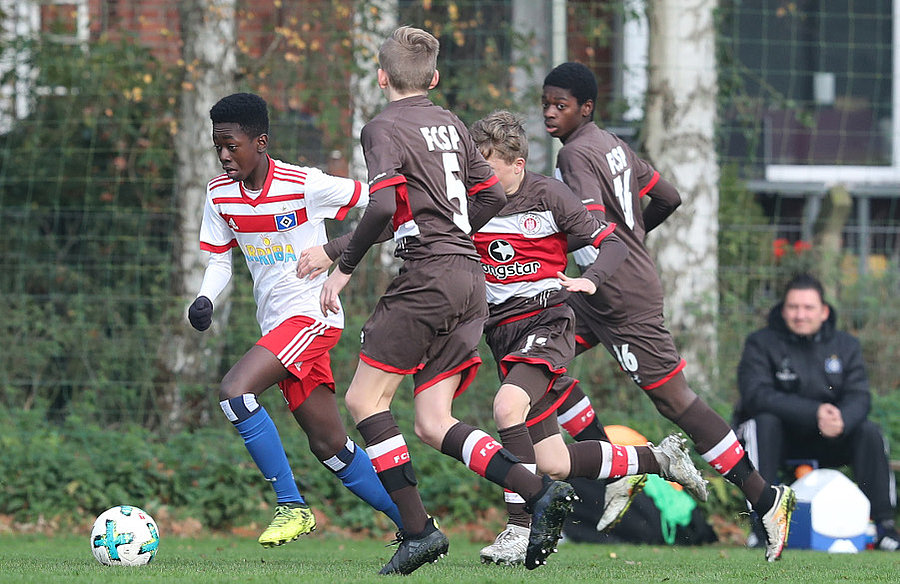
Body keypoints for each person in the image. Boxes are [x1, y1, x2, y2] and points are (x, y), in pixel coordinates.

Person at [314, 27, 576, 575]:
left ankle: (418, 532)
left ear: (381, 75)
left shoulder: (382, 127)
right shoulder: (452, 123)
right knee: (433, 421)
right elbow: (490, 193)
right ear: (433, 78)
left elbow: (384, 208)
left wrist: (343, 264)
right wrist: (456, 233)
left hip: (428, 280)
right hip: (469, 281)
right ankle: (539, 493)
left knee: (365, 402)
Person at [540, 61, 796, 562]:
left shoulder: (574, 155)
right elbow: (668, 197)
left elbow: (589, 225)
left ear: (585, 108)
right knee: (536, 357)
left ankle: (766, 498)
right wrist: (631, 240)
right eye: (546, 103)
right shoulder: (612, 143)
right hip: (599, 291)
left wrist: (545, 237)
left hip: (622, 298)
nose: (550, 113)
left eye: (560, 105)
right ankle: (618, 470)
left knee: (676, 403)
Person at [469, 110, 708, 565]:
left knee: (505, 407)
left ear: (517, 164)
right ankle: (658, 461)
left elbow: (614, 243)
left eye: (489, 165)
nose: (480, 176)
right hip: (502, 335)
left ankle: (519, 530)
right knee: (555, 462)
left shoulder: (550, 196)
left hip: (548, 323)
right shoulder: (472, 201)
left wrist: (592, 280)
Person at [186, 92, 402, 549]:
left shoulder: (303, 184)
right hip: (278, 327)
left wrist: (335, 249)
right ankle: (417, 526)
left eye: (232, 145)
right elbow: (221, 262)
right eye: (217, 146)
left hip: (313, 319)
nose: (225, 156)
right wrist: (205, 298)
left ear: (260, 142)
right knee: (330, 447)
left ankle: (291, 506)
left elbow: (387, 207)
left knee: (234, 393)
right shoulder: (219, 194)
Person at [735, 272, 900, 551]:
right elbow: (756, 396)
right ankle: (761, 526)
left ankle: (884, 528)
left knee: (869, 432)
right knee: (760, 424)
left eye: (808, 307)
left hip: (831, 438)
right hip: (778, 439)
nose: (801, 315)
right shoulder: (760, 343)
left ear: (823, 312)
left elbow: (860, 396)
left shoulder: (846, 346)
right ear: (783, 309)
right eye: (793, 307)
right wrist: (814, 413)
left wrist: (843, 419)